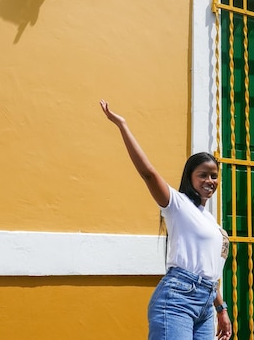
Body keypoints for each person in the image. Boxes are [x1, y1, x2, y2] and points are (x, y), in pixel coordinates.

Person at [99, 100, 233, 340]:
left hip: (206, 305)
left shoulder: (212, 221)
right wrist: (122, 125)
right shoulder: (177, 204)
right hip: (177, 300)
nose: (210, 180)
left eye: (214, 176)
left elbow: (209, 268)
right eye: (202, 175)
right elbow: (148, 173)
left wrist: (221, 308)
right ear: (189, 177)